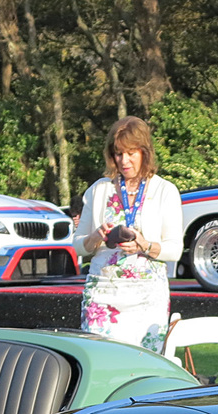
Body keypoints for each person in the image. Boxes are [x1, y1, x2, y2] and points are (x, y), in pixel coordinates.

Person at [73, 117, 183, 352]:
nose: (124, 161)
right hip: (102, 293)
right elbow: (78, 246)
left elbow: (174, 249)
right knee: (100, 361)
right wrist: (95, 237)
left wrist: (144, 245)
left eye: (131, 153)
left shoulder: (165, 190)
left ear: (144, 152)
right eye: (118, 153)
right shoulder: (98, 190)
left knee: (145, 366)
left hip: (147, 296)